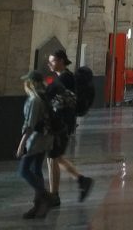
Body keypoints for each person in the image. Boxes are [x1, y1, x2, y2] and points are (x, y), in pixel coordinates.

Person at [46, 49, 94, 205]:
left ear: (60, 61)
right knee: (54, 157)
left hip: (61, 123)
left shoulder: (65, 78)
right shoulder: (64, 77)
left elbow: (58, 101)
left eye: (52, 60)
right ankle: (61, 190)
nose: (49, 64)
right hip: (62, 123)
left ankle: (59, 192)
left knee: (54, 157)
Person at [17, 70, 54, 218]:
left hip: (37, 140)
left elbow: (30, 125)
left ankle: (46, 196)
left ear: (30, 83)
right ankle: (39, 206)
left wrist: (21, 145)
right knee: (37, 170)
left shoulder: (34, 100)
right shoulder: (45, 96)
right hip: (46, 138)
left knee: (24, 170)